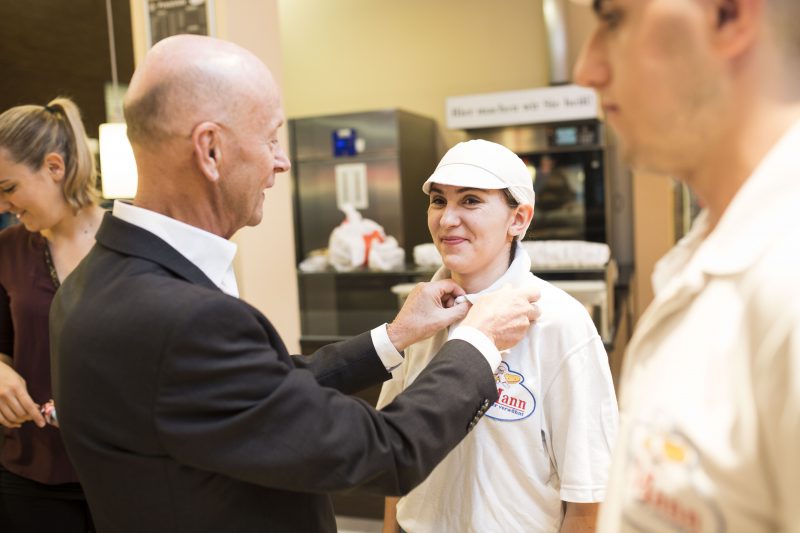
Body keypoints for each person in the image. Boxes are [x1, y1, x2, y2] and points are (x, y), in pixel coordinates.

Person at [48, 35, 541, 533]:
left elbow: (257, 394)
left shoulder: (91, 282)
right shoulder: (181, 318)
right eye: (270, 139)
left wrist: (392, 337)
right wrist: (478, 342)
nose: (281, 162)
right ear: (211, 150)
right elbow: (386, 450)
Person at [573, 0, 800, 531]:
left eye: (613, 19)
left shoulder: (788, 281)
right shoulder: (704, 257)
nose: (587, 70)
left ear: (728, 15)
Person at [378, 139, 619, 532]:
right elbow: (391, 452)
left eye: (470, 201)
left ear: (518, 220)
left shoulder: (560, 323)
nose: (447, 219)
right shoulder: (418, 316)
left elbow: (588, 495)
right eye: (439, 201)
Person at [0, 97, 103, 531]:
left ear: (55, 167)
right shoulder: (6, 249)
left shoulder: (131, 242)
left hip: (121, 469)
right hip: (28, 472)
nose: (3, 204)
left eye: (8, 187)